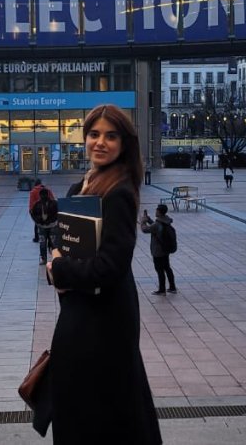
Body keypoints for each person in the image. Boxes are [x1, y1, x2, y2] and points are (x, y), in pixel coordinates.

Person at [42, 104, 161, 443]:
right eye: (94, 134)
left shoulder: (119, 192)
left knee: (104, 410)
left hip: (105, 319)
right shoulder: (82, 185)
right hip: (83, 309)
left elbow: (111, 267)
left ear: (124, 143)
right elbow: (61, 239)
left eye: (111, 136)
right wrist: (56, 261)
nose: (101, 142)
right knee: (83, 403)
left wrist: (61, 270)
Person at [139, 204, 177, 295]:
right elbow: (156, 227)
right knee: (167, 268)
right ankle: (172, 287)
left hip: (158, 251)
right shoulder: (165, 221)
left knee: (159, 269)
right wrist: (149, 220)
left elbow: (145, 230)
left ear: (159, 212)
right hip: (165, 249)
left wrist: (143, 222)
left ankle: (162, 290)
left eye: (156, 210)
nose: (155, 212)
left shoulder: (157, 224)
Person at [31, 188, 59, 265]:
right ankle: (44, 258)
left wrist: (52, 220)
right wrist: (38, 221)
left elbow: (57, 213)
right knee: (43, 244)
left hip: (52, 226)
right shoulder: (37, 204)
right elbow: (33, 213)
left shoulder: (53, 203)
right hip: (42, 227)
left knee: (54, 243)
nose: (43, 197)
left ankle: (55, 258)